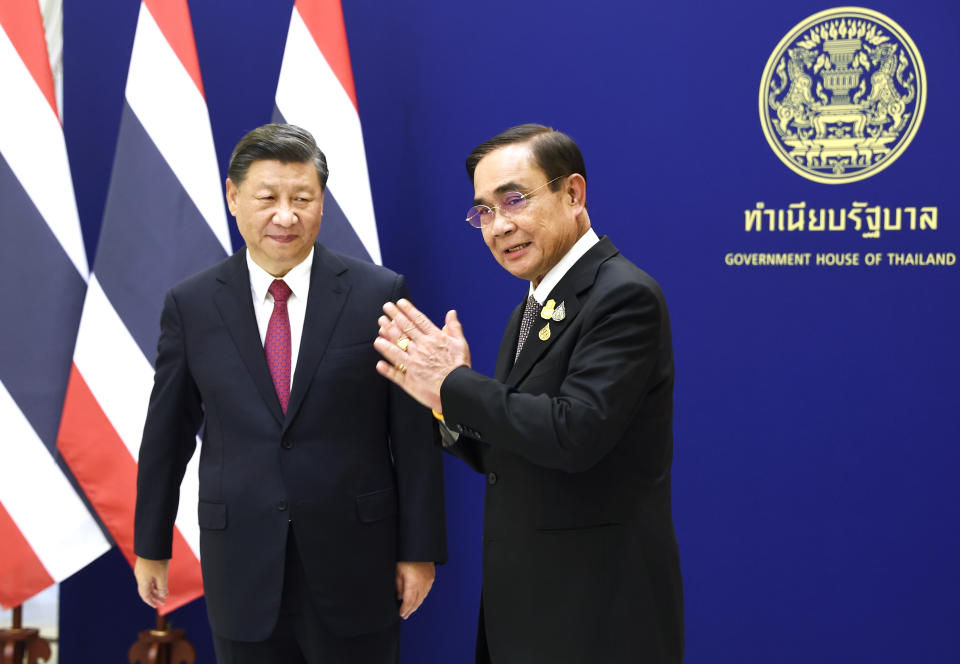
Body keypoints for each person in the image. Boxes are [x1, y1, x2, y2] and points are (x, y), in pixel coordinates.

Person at [134, 123, 447, 664]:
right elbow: (167, 434)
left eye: (302, 198)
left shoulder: (378, 293)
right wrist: (151, 545)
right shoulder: (192, 305)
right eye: (267, 198)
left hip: (356, 560)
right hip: (242, 563)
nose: (286, 215)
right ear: (233, 198)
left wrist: (420, 552)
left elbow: (413, 435)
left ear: (321, 202)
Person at [373, 124, 683, 663]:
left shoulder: (623, 295)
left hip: (598, 619)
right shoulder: (532, 307)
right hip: (526, 615)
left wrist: (454, 382)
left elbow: (573, 434)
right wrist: (444, 401)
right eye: (483, 212)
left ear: (573, 194)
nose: (499, 226)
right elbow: (512, 450)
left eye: (514, 200)